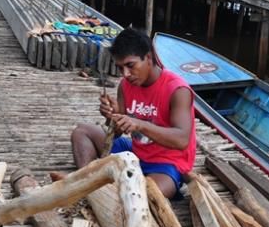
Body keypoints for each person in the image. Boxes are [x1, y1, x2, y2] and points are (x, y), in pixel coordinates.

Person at [70, 28, 196, 199]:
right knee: (81, 132)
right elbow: (117, 132)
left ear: (149, 58)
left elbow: (182, 140)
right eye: (120, 68)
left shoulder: (177, 89)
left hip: (166, 163)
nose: (126, 74)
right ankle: (86, 181)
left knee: (143, 196)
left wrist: (140, 124)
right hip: (136, 152)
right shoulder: (125, 85)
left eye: (130, 65)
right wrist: (112, 117)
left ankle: (100, 187)